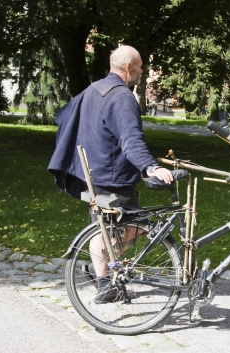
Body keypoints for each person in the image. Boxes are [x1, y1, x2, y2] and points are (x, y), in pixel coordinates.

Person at [48, 45, 173, 303]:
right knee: (131, 230)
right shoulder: (122, 97)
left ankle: (104, 282)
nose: (141, 71)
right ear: (129, 68)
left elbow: (63, 117)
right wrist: (151, 167)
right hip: (112, 179)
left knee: (103, 229)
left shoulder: (94, 89)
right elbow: (131, 141)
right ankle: (105, 282)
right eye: (139, 67)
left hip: (92, 175)